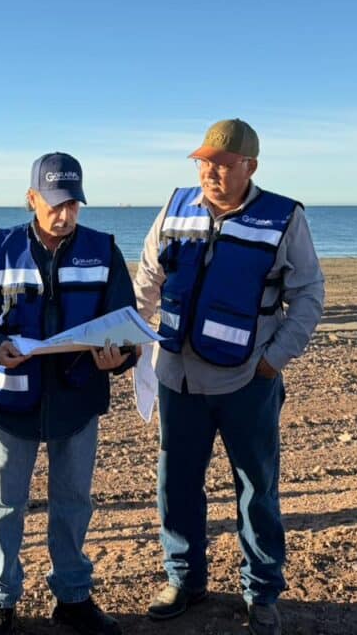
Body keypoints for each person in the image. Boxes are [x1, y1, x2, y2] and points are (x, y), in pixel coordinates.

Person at [133, 119, 324, 634]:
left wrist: (273, 360)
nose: (210, 171)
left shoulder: (284, 217)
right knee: (176, 484)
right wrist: (132, 334)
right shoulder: (176, 207)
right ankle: (184, 577)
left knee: (256, 487)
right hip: (176, 377)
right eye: (204, 162)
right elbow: (148, 278)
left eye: (222, 163)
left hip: (247, 382)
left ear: (250, 167)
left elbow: (308, 295)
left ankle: (261, 591)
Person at [0, 152, 137, 635]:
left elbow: (127, 325)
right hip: (13, 399)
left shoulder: (104, 250)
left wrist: (121, 357)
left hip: (77, 399)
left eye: (74, 204)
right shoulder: (2, 247)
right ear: (31, 198)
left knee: (74, 500)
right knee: (3, 504)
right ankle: (1, 601)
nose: (65, 214)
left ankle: (74, 598)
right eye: (55, 204)